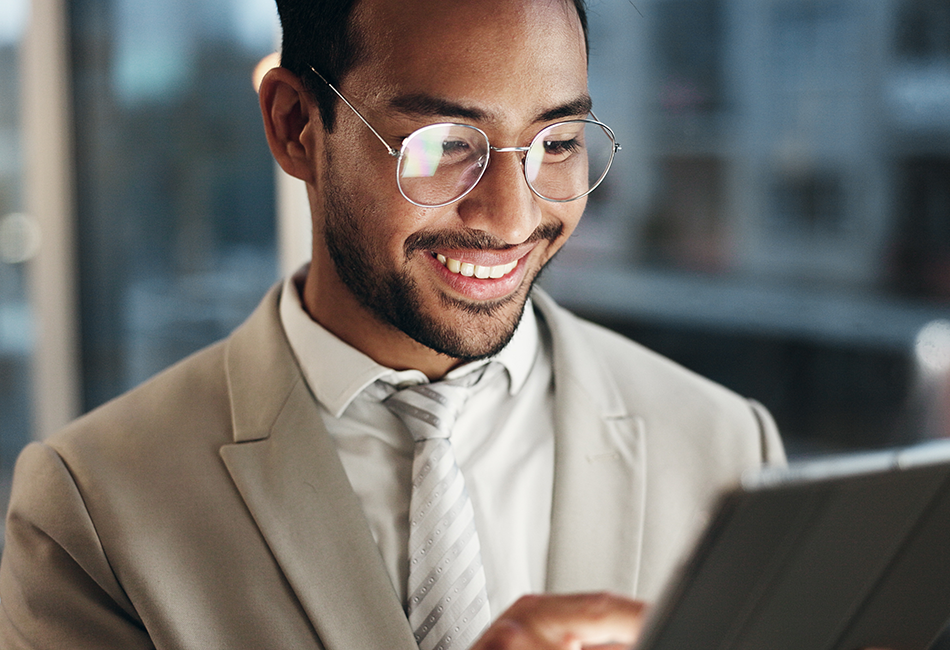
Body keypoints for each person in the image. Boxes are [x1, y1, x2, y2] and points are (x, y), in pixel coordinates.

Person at [0, 0, 785, 648]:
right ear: (295, 127)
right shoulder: (92, 510)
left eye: (557, 142)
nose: (513, 216)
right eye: (444, 145)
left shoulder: (726, 448)